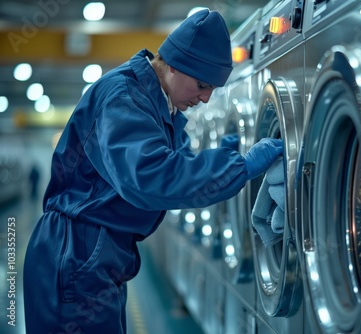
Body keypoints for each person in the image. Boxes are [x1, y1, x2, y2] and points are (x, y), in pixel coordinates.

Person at [23, 9, 282, 333]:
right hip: (76, 252)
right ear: (174, 64)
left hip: (98, 253)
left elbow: (178, 163)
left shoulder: (157, 105)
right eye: (202, 84)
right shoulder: (124, 97)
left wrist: (230, 151)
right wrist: (240, 167)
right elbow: (151, 177)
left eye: (213, 89)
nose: (206, 98)